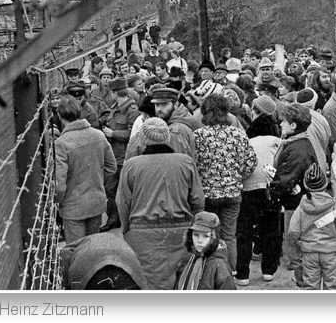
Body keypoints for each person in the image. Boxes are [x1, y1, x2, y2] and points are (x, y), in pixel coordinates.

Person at [117, 118, 205, 290]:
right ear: (167, 137)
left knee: (150, 285)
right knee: (182, 282)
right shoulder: (185, 161)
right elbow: (198, 200)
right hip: (181, 231)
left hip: (142, 234)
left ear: (142, 139)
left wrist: (127, 230)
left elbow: (123, 203)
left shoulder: (131, 165)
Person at [193, 94, 258, 273]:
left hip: (208, 194)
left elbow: (194, 165)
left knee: (208, 234)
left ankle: (209, 271)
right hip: (232, 193)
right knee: (229, 234)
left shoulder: (198, 135)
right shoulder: (238, 134)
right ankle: (229, 272)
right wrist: (236, 177)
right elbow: (251, 162)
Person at [54, 96, 117, 244]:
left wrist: (56, 202)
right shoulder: (99, 135)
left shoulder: (61, 143)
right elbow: (111, 168)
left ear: (59, 115)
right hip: (96, 201)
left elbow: (59, 184)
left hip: (73, 206)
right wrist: (97, 182)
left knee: (76, 251)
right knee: (92, 248)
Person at [235, 99, 282, 286]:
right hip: (270, 189)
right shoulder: (278, 142)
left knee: (244, 232)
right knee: (271, 229)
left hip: (248, 189)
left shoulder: (247, 141)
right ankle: (268, 270)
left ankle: (243, 273)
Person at [269, 103, 318, 274]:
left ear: (293, 125)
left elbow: (287, 177)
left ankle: (298, 265)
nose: (281, 124)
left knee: (293, 234)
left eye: (284, 121)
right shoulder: (299, 142)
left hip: (295, 200)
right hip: (296, 197)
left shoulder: (297, 148)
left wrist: (272, 189)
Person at [287, 164, 336, 290]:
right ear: (325, 183)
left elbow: (292, 231)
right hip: (331, 252)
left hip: (309, 252)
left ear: (306, 186)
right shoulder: (335, 206)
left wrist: (297, 244)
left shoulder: (301, 208)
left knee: (311, 285)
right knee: (333, 285)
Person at [100, 78, 141, 232]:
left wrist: (113, 133)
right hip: (113, 157)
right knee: (110, 189)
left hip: (123, 157)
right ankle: (113, 219)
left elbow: (133, 133)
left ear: (114, 93)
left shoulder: (132, 111)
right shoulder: (114, 108)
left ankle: (127, 221)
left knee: (125, 191)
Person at [61, 228, 148, 290]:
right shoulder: (115, 239)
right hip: (126, 270)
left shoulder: (70, 248)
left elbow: (64, 255)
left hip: (93, 275)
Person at [125, 87, 198, 160]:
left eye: (164, 104)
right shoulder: (172, 123)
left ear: (176, 104)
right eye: (157, 105)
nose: (159, 109)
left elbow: (174, 163)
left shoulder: (175, 131)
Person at [174, 211, 236, 290]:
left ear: (213, 238)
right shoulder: (188, 258)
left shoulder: (219, 266)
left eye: (206, 236)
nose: (199, 240)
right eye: (196, 235)